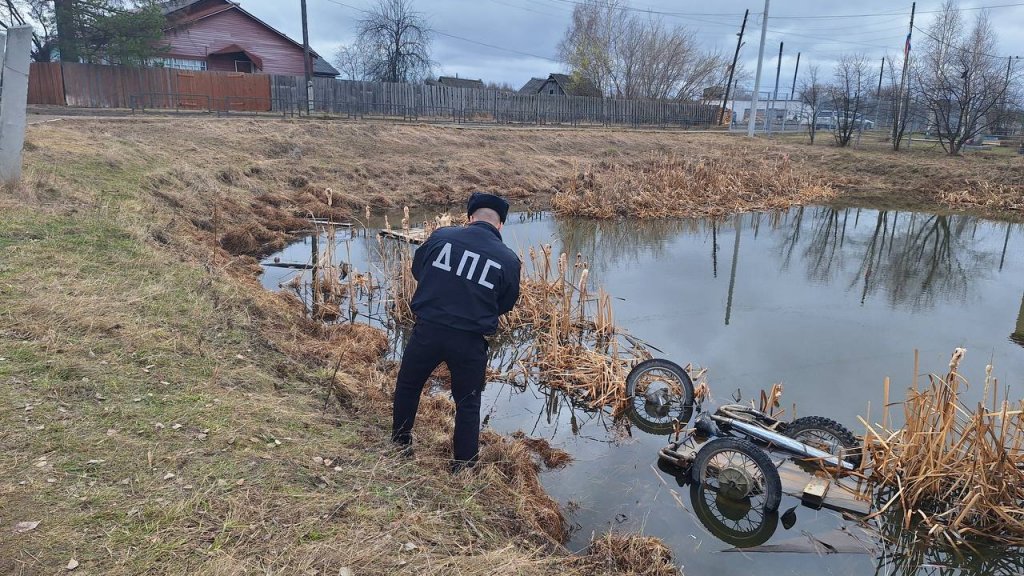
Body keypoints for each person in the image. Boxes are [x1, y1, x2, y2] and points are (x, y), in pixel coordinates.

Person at [391, 192, 521, 473]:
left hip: (428, 330)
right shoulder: (508, 260)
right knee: (468, 403)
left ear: (470, 218)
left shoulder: (441, 237)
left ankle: (400, 442)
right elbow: (506, 302)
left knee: (409, 386)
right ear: (500, 225)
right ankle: (463, 466)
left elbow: (418, 270)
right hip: (470, 341)